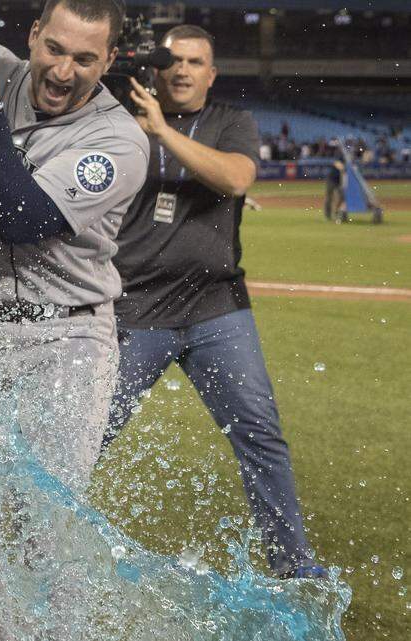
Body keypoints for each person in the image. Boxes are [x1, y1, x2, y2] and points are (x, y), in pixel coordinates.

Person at [104, 24, 324, 580]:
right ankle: (28, 540)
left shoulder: (232, 123)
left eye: (195, 62)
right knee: (86, 433)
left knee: (260, 435)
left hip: (216, 309)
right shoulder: (116, 122)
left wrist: (160, 130)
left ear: (211, 72)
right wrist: (141, 126)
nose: (182, 71)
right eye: (173, 61)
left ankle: (293, 566)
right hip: (133, 308)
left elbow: (236, 177)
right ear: (154, 68)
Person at [0, 0, 149, 498]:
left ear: (109, 60)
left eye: (85, 59)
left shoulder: (120, 139)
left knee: (42, 533)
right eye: (55, 49)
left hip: (65, 339)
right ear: (33, 34)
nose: (64, 71)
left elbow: (22, 220)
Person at [324, 158, 346, 222]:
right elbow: (337, 164)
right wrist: (343, 167)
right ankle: (328, 215)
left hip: (339, 181)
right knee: (329, 198)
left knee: (341, 197)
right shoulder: (341, 156)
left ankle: (337, 212)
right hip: (331, 179)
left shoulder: (349, 160)